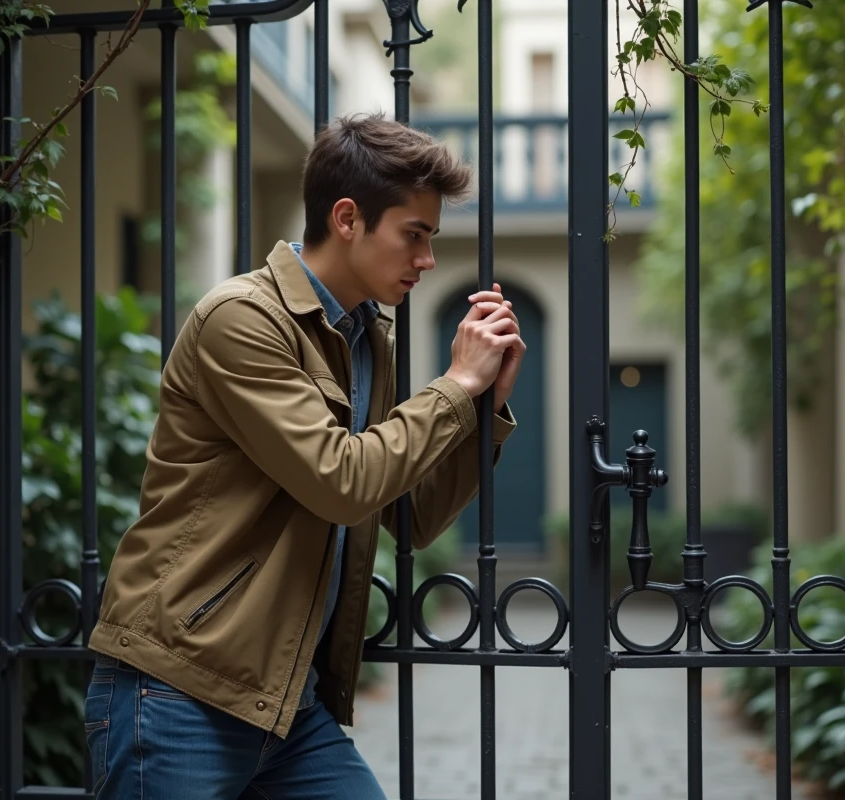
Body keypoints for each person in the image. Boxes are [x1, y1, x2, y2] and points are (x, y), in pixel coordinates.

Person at [84, 113, 524, 799]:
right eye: (415, 235)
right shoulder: (242, 319)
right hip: (178, 691)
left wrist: (482, 407)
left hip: (284, 706)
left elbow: (403, 516)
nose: (427, 260)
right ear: (348, 218)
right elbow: (340, 482)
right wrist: (453, 384)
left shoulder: (367, 343)